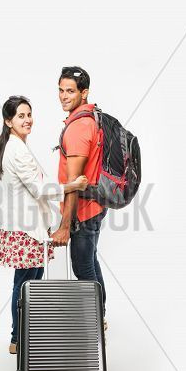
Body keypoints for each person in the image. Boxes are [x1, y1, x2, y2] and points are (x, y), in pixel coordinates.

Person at [0, 95, 88, 354]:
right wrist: (72, 186)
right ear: (8, 121)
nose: (27, 120)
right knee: (25, 285)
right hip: (25, 229)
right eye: (20, 116)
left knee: (30, 282)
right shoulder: (16, 149)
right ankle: (17, 339)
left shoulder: (16, 145)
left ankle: (23, 335)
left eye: (29, 114)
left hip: (27, 227)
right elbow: (39, 188)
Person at [51, 67, 108, 328]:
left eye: (70, 91)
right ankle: (99, 317)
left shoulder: (78, 127)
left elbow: (73, 184)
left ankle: (95, 322)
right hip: (95, 203)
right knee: (90, 262)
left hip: (83, 209)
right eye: (61, 90)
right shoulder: (90, 118)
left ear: (84, 93)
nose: (63, 96)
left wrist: (65, 225)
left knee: (83, 268)